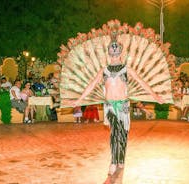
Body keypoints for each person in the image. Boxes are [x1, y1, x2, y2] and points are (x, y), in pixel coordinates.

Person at [66, 37, 164, 175]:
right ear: (109, 54)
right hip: (110, 106)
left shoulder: (126, 69)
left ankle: (120, 159)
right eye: (112, 54)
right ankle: (113, 161)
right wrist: (79, 100)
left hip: (123, 106)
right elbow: (91, 85)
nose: (114, 56)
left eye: (116, 54)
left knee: (123, 134)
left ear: (120, 54)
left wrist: (155, 96)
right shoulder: (104, 70)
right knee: (114, 132)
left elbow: (141, 82)